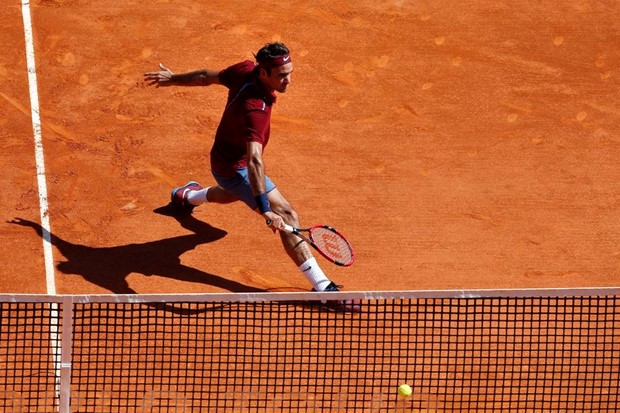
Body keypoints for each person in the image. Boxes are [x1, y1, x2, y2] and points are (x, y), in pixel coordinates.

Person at [144, 42, 357, 310]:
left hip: (223, 161)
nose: (288, 80)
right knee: (287, 214)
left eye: (290, 72)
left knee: (232, 195)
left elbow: (204, 77)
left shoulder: (245, 69)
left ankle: (187, 195)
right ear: (264, 72)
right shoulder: (255, 109)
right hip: (236, 167)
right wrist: (267, 210)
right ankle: (323, 288)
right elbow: (255, 161)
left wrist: (173, 79)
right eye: (281, 75)